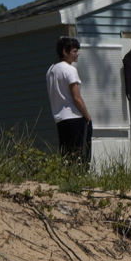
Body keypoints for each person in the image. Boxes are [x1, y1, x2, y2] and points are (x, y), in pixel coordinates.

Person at [46, 36, 92, 166]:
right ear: (64, 52)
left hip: (60, 119)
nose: (77, 54)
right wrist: (88, 117)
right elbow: (76, 98)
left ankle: (67, 177)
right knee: (80, 154)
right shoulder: (70, 69)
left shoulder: (51, 70)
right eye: (74, 51)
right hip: (75, 117)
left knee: (66, 155)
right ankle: (81, 177)